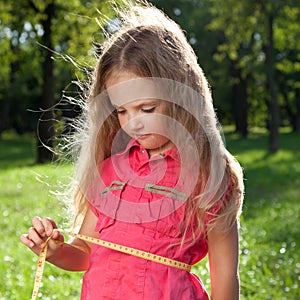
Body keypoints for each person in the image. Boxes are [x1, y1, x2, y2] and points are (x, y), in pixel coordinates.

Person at [20, 1, 244, 299]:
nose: (133, 123)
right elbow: (86, 252)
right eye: (122, 111)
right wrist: (55, 250)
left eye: (146, 108)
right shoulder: (110, 170)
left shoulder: (210, 175)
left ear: (179, 94)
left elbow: (226, 277)